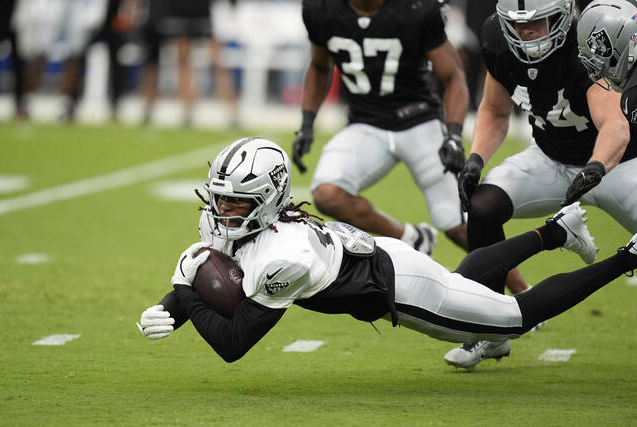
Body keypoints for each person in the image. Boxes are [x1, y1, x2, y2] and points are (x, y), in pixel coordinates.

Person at [137, 137, 637, 366]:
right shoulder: (236, 223)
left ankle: (627, 257)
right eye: (219, 195)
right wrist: (169, 307)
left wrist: (185, 287)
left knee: (511, 317)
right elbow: (211, 269)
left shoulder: (282, 258)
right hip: (382, 258)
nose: (222, 209)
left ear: (266, 199)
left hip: (397, 285)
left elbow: (233, 342)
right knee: (464, 277)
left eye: (235, 199)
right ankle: (556, 232)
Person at [447, 0, 637, 369]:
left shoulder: (588, 43)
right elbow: (494, 111)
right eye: (518, 26)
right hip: (549, 158)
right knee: (483, 206)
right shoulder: (498, 42)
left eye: (538, 23)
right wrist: (476, 159)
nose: (527, 33)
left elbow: (615, 125)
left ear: (563, 16)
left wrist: (597, 166)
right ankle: (490, 331)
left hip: (617, 165)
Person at [290, 0, 469, 258]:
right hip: (365, 124)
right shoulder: (321, 9)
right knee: (328, 194)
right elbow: (320, 66)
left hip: (419, 121)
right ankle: (412, 238)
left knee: (456, 224)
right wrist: (307, 124)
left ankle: (524, 292)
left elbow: (454, 77)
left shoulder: (417, 8)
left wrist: (453, 135)